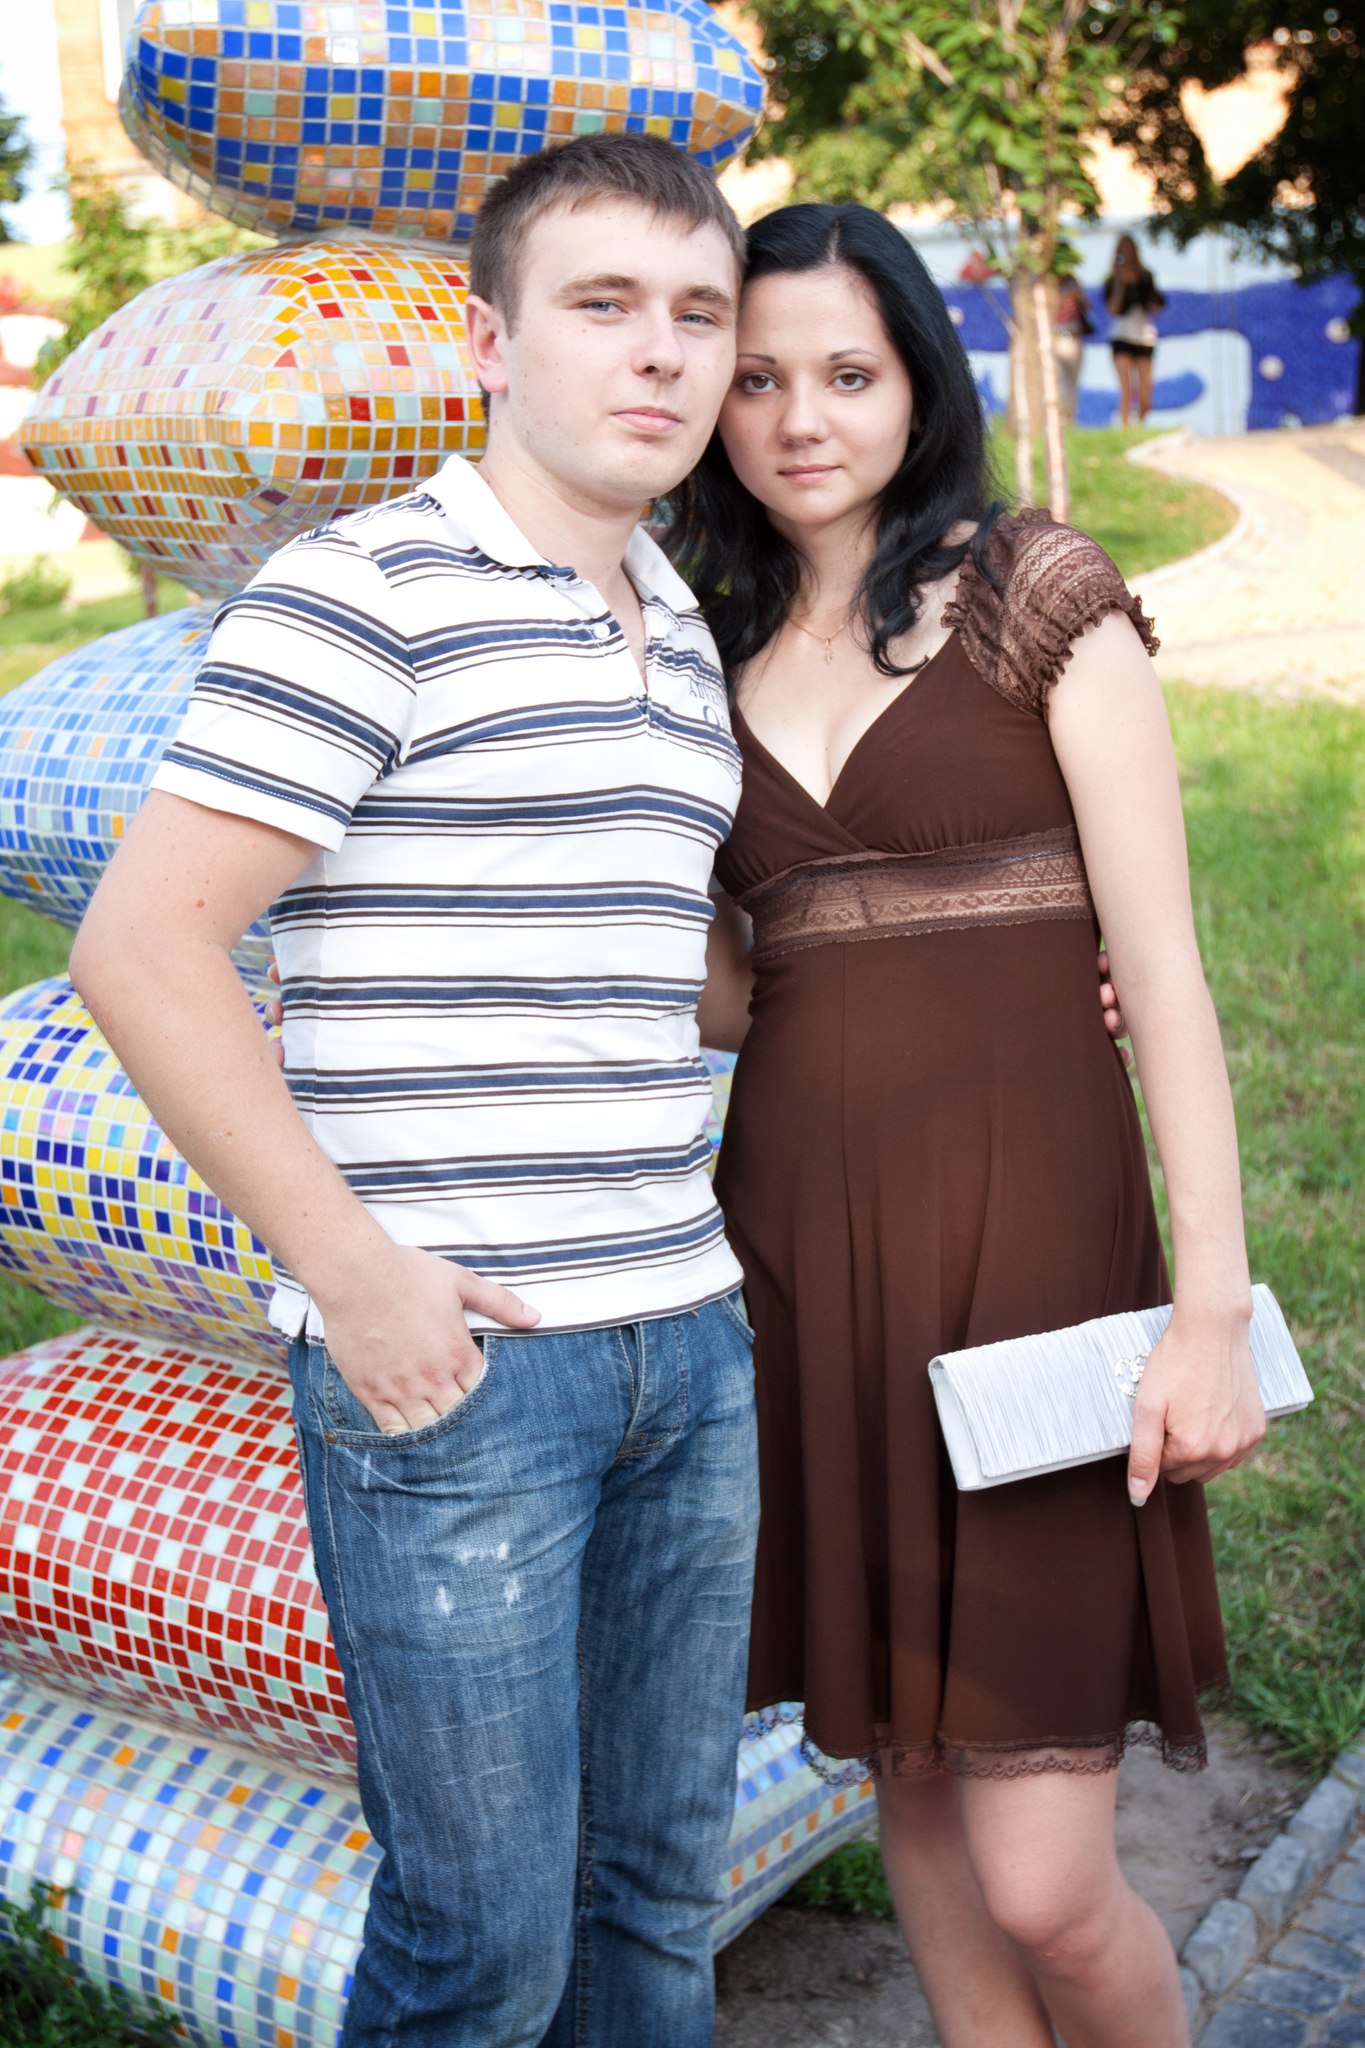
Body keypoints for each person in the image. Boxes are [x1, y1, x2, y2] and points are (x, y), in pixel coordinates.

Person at [69, 133, 760, 2048]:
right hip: (471, 1369)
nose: (661, 352)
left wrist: (987, 965)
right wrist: (354, 1277)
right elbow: (141, 946)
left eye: (698, 312)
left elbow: (672, 971)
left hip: (688, 1340)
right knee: (482, 1949)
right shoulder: (363, 589)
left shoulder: (677, 621)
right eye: (603, 304)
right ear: (490, 340)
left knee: (653, 1902)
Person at [670, 202, 1264, 2048]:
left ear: (921, 381)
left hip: (1035, 1255)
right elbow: (735, 981)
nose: (799, 419)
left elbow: (1163, 971)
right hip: (806, 1260)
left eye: (847, 373)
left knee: (1048, 1882)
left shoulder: (1036, 591)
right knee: (914, 1783)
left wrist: (1212, 1312)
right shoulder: (698, 641)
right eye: (756, 379)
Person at [1106, 232, 1166, 426]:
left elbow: (1155, 304)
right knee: (1126, 389)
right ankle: (1125, 428)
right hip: (1121, 336)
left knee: (1144, 393)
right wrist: (1120, 283)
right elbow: (1113, 309)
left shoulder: (1146, 276)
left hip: (1144, 337)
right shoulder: (1112, 279)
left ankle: (1139, 426)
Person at [1054, 268, 1093, 425]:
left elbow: (1088, 306)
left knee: (1072, 382)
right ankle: (1058, 420)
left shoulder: (1074, 282)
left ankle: (1070, 422)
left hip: (1074, 337)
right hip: (1057, 337)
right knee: (1058, 382)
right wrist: (1064, 297)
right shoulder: (1049, 284)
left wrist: (1078, 295)